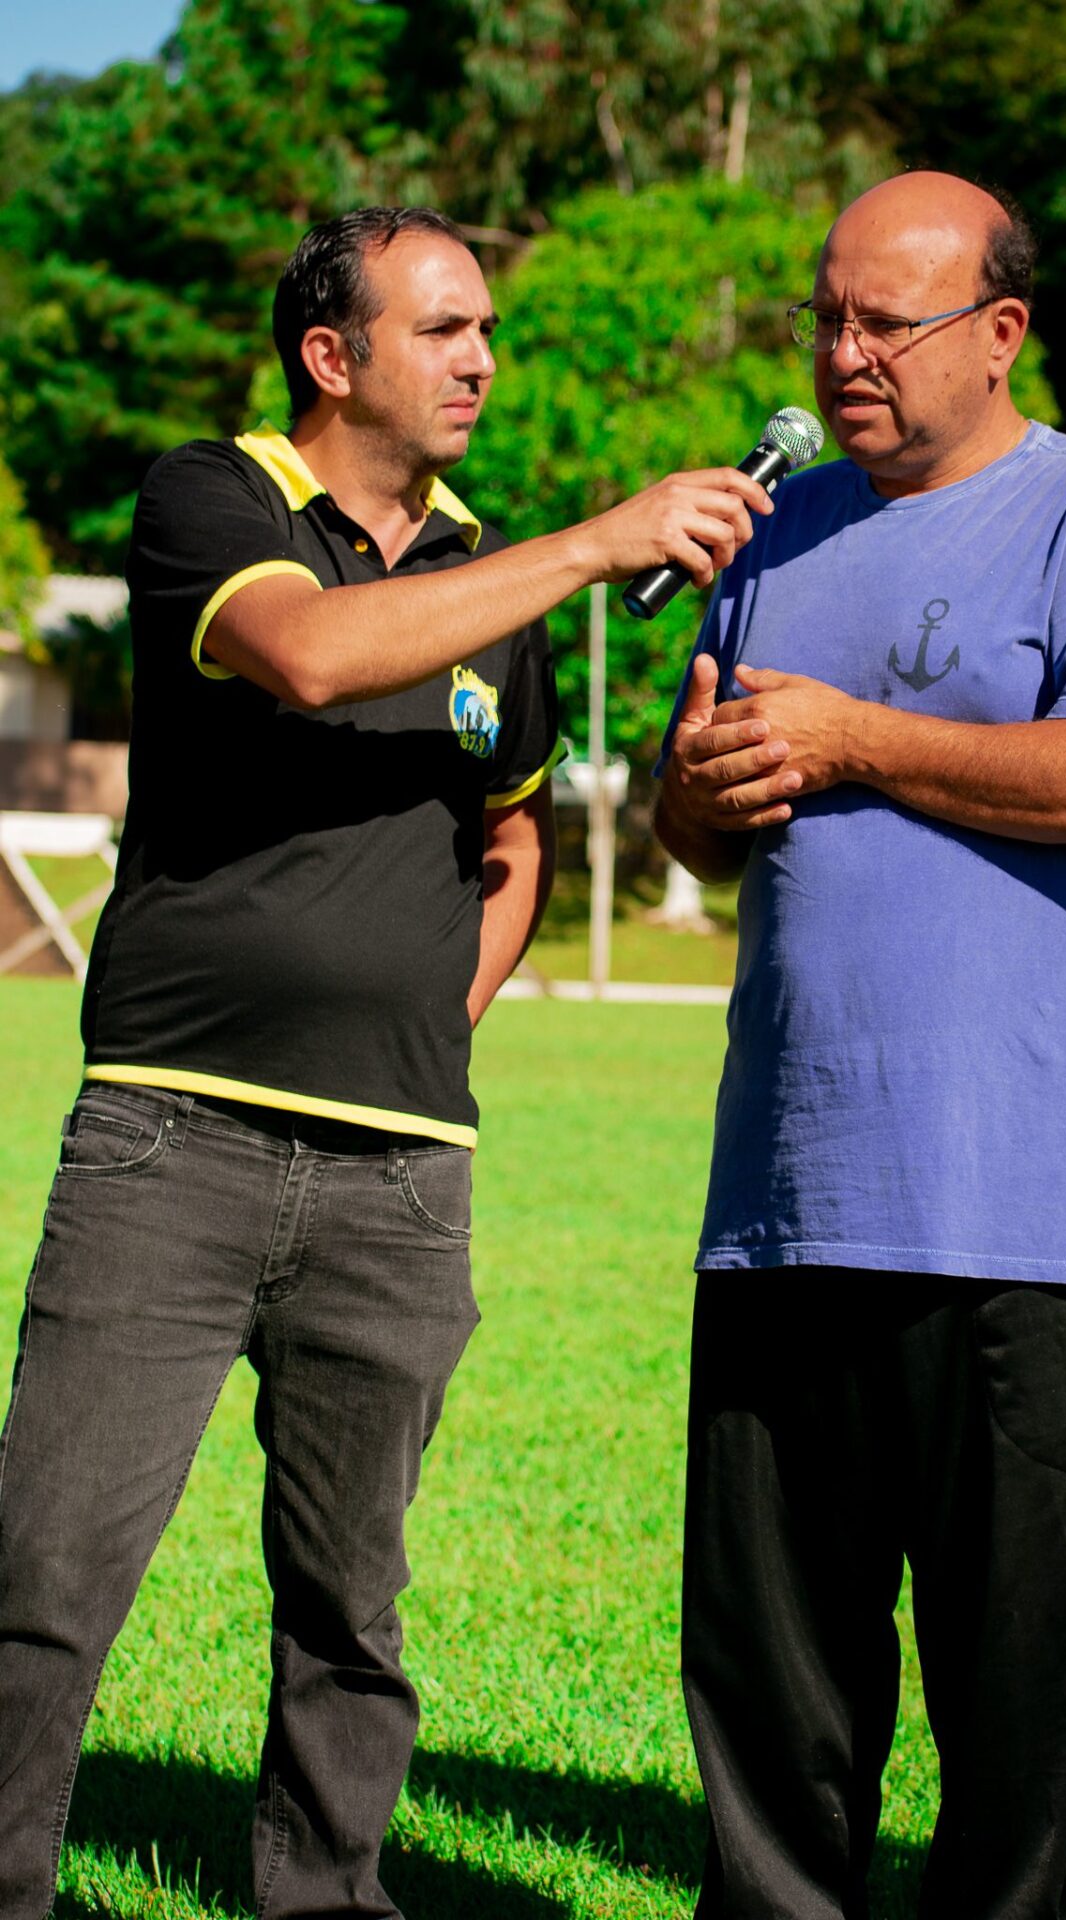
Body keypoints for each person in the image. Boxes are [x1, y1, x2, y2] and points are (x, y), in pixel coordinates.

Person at [0, 205, 771, 1918]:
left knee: (353, 1611)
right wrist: (601, 541)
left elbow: (512, 844)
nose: (484, 360)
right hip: (170, 1143)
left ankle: (324, 1897)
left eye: (487, 328)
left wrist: (445, 1011)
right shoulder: (213, 499)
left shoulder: (486, 570)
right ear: (332, 355)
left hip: (404, 1175)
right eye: (445, 331)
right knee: (47, 1573)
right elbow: (315, 654)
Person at [655, 172, 1066, 1920]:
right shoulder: (782, 532)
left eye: (884, 323)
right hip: (781, 1203)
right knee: (769, 1697)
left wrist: (851, 740)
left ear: (999, 331)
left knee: (1018, 1706)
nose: (841, 353)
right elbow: (710, 831)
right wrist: (698, 788)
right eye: (823, 316)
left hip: (1011, 1219)